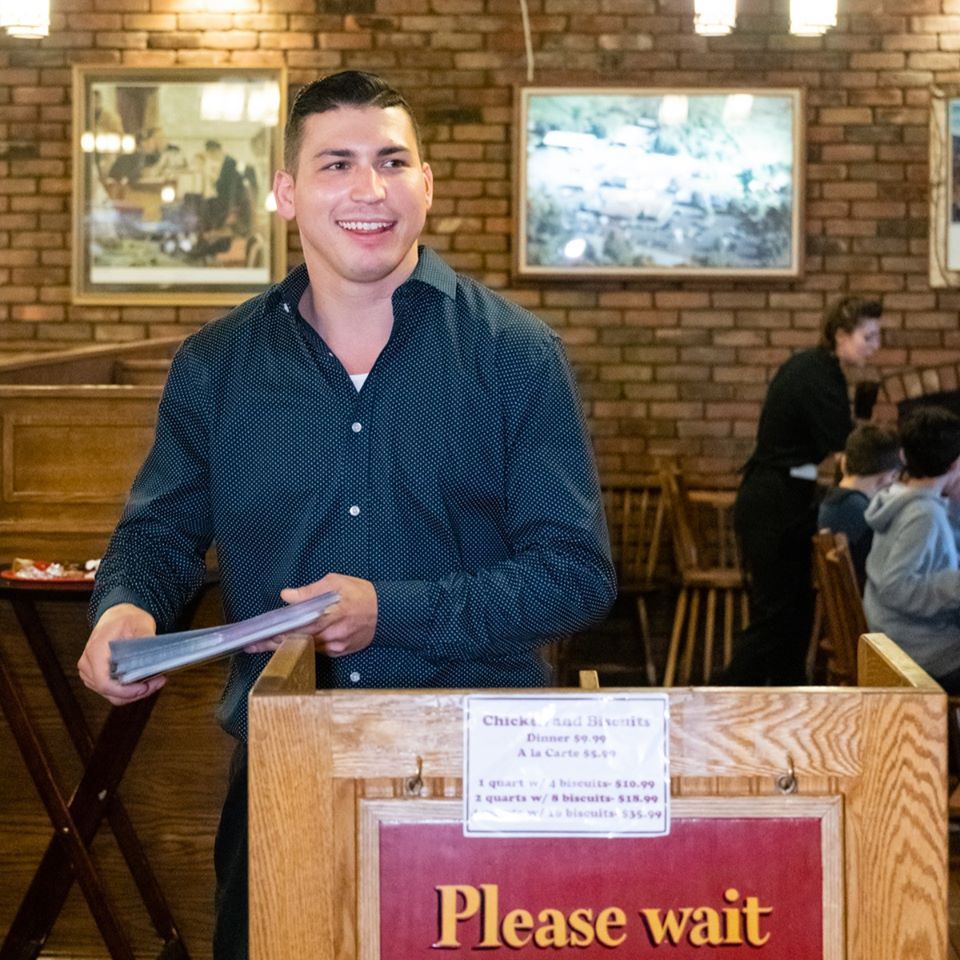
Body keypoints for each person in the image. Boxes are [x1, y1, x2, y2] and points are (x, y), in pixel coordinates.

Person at [76, 70, 616, 960]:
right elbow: (158, 534)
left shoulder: (516, 356)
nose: (369, 189)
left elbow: (575, 575)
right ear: (287, 193)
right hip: (285, 772)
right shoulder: (217, 364)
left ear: (425, 184)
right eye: (336, 164)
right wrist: (126, 608)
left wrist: (389, 610)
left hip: (480, 774)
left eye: (392, 162)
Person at [721, 295, 882, 686]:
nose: (875, 346)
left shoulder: (814, 369)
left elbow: (804, 459)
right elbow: (845, 451)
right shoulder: (819, 376)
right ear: (841, 335)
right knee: (777, 617)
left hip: (776, 496)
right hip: (773, 504)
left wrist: (818, 479)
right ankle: (712, 699)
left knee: (793, 615)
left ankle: (788, 703)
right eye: (868, 337)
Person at [863, 406, 960, 692]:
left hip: (898, 637)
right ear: (955, 464)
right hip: (917, 652)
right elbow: (895, 587)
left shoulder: (901, 498)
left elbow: (938, 551)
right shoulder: (923, 514)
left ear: (903, 456)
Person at [817, 423, 901, 588]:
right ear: (887, 477)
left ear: (844, 463)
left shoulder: (832, 501)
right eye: (894, 475)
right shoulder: (863, 512)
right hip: (868, 597)